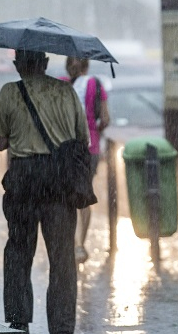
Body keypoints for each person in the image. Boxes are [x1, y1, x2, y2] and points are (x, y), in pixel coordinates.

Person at [0, 49, 90, 334]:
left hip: (23, 180)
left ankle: (19, 323)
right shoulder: (66, 92)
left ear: (18, 64)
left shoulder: (9, 92)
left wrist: (20, 133)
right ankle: (60, 332)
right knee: (62, 257)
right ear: (46, 64)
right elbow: (82, 138)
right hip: (59, 182)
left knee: (19, 252)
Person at [62, 57, 110, 263]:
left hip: (65, 148)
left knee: (66, 196)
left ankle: (71, 243)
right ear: (87, 66)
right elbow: (106, 119)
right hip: (89, 148)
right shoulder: (95, 84)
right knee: (84, 195)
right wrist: (94, 132)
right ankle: (80, 244)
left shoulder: (60, 85)